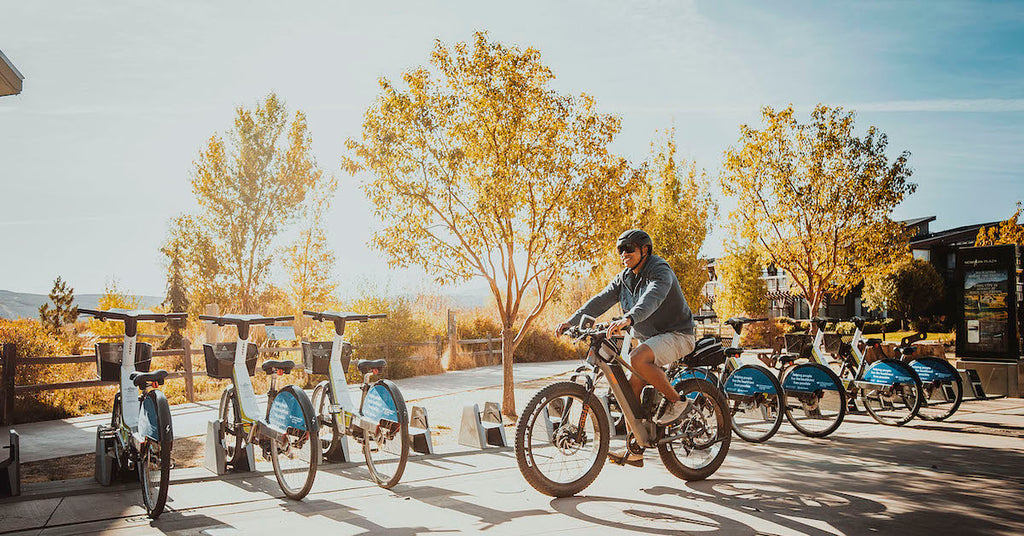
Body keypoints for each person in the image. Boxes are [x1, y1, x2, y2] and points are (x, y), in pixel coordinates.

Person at [557, 229, 696, 467]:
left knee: (637, 358)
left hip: (678, 335)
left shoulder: (660, 270)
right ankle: (637, 448)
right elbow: (600, 300)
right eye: (620, 249)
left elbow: (653, 296)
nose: (624, 253)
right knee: (628, 391)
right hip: (651, 339)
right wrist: (572, 321)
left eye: (629, 248)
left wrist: (630, 318)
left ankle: (678, 402)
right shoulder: (625, 278)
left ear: (645, 250)